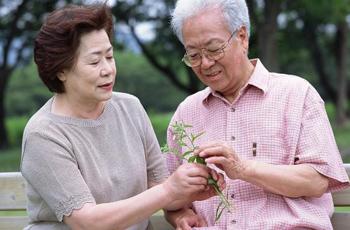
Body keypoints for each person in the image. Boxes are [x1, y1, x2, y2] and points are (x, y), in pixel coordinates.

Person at [20, 3, 225, 230]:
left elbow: (159, 185)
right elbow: (87, 221)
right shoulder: (44, 134)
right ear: (61, 71)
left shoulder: (130, 107)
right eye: (95, 61)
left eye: (110, 56)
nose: (108, 69)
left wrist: (193, 189)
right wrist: (169, 190)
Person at [165, 0, 350, 229]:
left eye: (213, 49)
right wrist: (180, 216)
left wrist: (243, 169)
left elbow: (318, 181)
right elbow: (170, 193)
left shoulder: (296, 94)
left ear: (242, 37)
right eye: (193, 55)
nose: (205, 63)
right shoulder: (187, 113)